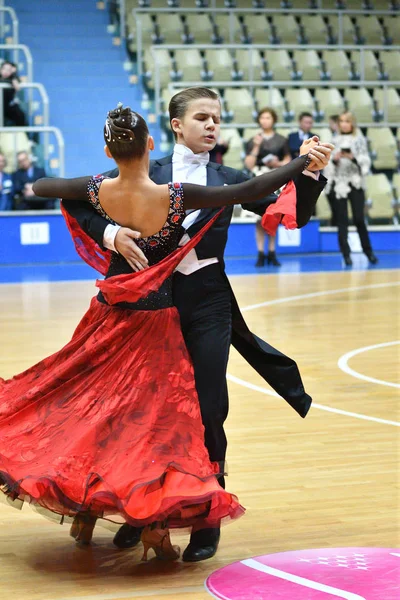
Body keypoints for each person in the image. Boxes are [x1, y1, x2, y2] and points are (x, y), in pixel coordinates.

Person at [0, 103, 318, 561]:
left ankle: (206, 519)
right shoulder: (158, 178)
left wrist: (307, 175)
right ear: (170, 129)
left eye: (217, 118)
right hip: (147, 314)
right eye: (202, 117)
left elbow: (287, 212)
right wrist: (110, 234)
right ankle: (139, 509)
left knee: (208, 409)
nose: (212, 125)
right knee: (136, 414)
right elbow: (81, 204)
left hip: (205, 303)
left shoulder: (219, 178)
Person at [324, 111, 378, 267]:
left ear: (352, 123)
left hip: (355, 182)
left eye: (347, 121)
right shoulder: (333, 140)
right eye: (341, 121)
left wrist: (352, 157)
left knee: (359, 219)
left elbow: (366, 163)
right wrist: (335, 160)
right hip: (339, 183)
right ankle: (346, 255)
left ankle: (368, 252)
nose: (344, 124)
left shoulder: (359, 140)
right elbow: (327, 167)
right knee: (342, 221)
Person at [244, 107, 291, 267]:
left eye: (268, 118)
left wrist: (278, 163)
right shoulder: (253, 140)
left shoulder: (282, 140)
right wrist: (256, 146)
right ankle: (260, 253)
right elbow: (249, 164)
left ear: (273, 120)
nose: (265, 120)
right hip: (259, 178)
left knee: (274, 216)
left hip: (276, 178)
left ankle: (272, 251)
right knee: (258, 218)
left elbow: (288, 160)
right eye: (262, 117)